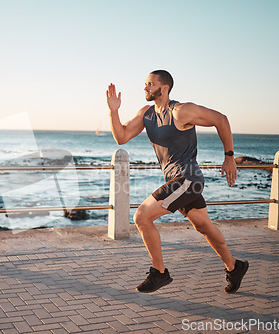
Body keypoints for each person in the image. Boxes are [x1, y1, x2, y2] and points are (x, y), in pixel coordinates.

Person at [106, 70, 248, 294]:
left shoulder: (182, 111)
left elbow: (221, 119)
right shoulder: (147, 114)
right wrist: (114, 111)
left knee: (142, 217)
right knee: (204, 227)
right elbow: (121, 137)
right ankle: (235, 266)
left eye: (150, 84)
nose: (145, 88)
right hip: (177, 182)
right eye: (145, 84)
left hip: (188, 180)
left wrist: (229, 157)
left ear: (164, 88)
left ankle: (160, 273)